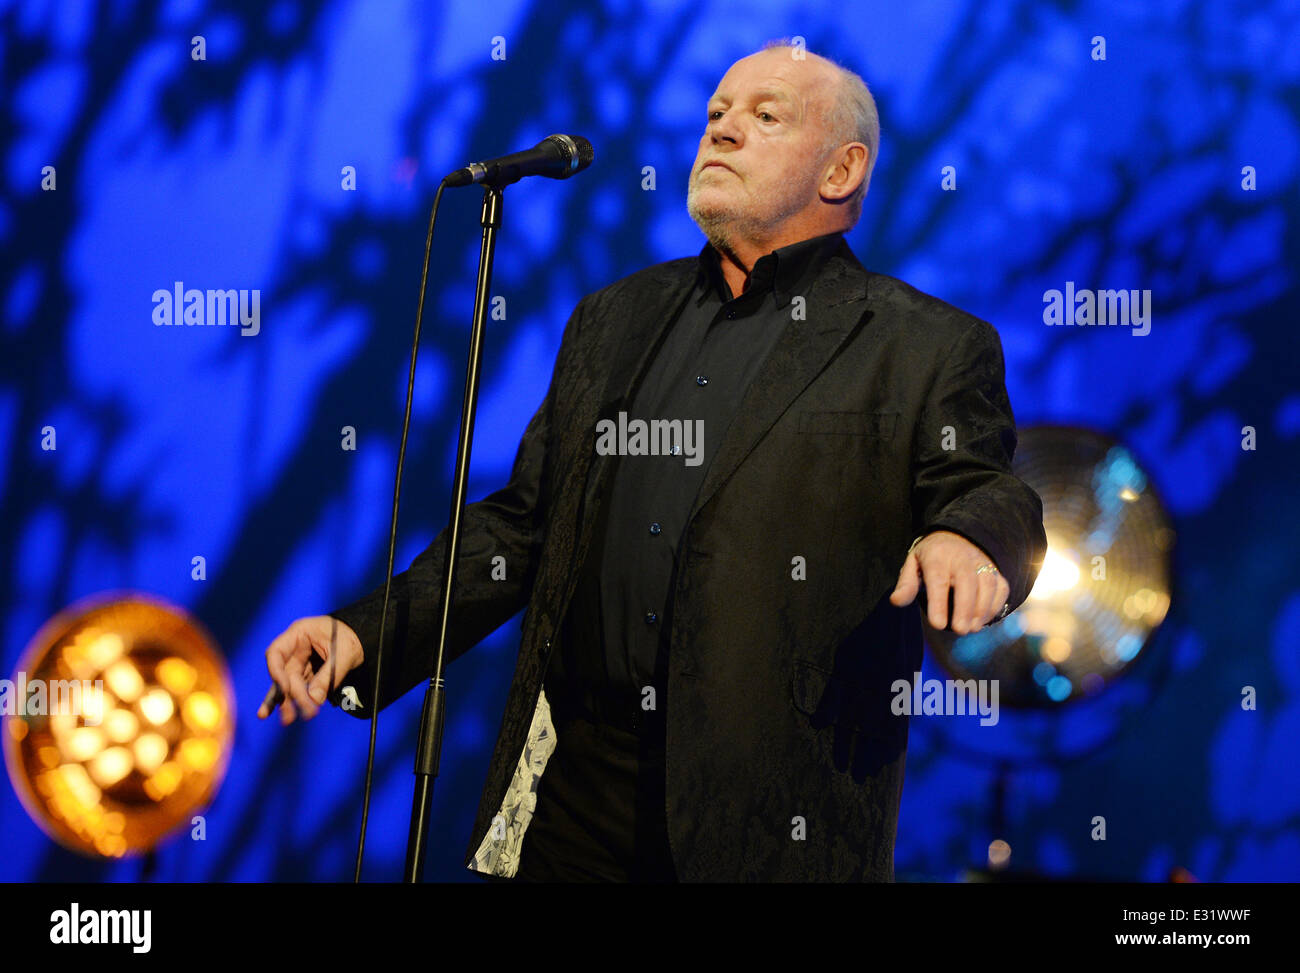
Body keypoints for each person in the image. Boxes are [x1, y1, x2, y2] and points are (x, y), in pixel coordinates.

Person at [260, 41, 1046, 882]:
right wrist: (368, 633)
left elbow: (988, 490)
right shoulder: (615, 317)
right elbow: (524, 525)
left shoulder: (923, 344)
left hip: (768, 819)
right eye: (716, 114)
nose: (724, 131)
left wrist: (969, 537)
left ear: (841, 170)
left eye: (764, 115)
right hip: (574, 796)